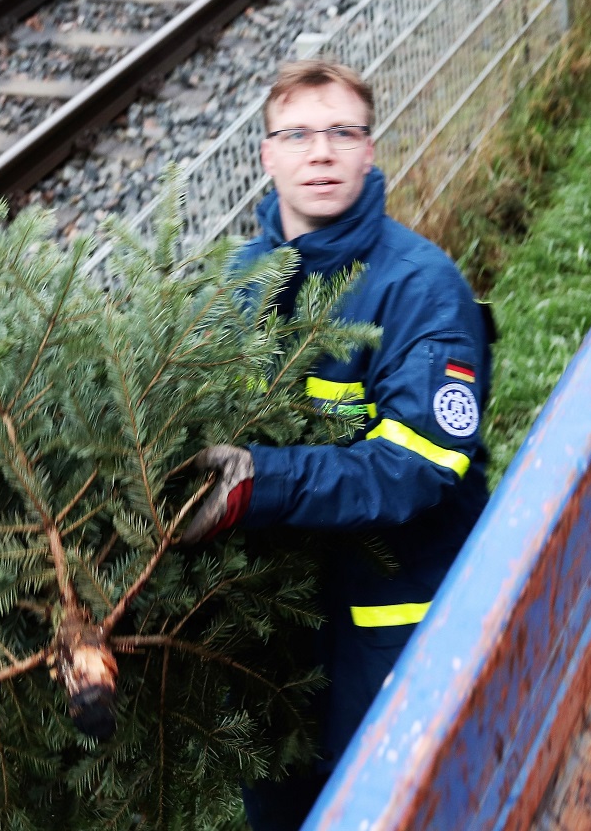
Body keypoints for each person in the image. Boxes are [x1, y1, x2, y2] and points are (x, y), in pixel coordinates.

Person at [180, 59, 493, 831]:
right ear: (266, 156)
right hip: (274, 645)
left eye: (341, 132)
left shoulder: (421, 289)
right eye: (297, 134)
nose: (320, 153)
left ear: (370, 150)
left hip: (394, 638)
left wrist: (259, 486)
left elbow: (414, 469)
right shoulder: (237, 284)